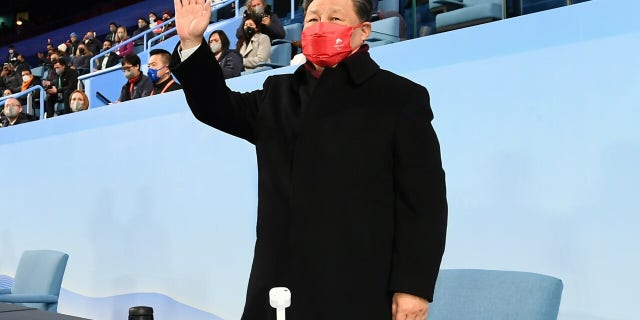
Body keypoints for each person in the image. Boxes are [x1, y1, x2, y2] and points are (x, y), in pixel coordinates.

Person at [170, 0, 448, 319]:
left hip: (360, 285)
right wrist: (192, 42)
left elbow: (423, 201)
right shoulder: (278, 94)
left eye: (334, 17)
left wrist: (413, 286)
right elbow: (214, 106)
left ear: (364, 31)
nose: (320, 26)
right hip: (279, 285)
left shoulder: (399, 98)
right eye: (313, 18)